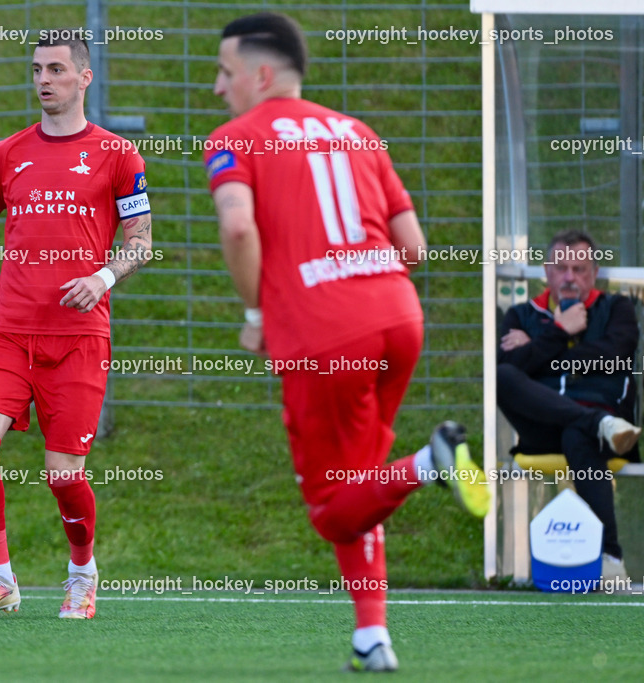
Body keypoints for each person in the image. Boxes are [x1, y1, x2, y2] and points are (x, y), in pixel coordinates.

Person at [204, 12, 489, 673]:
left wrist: (257, 313)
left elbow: (239, 229)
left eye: (224, 71)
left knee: (332, 512)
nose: (218, 88)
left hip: (325, 334)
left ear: (261, 74)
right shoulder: (358, 132)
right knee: (360, 485)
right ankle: (372, 636)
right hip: (397, 318)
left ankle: (431, 461)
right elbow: (414, 245)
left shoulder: (235, 137)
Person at [0, 33, 152, 620]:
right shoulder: (8, 153)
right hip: (8, 329)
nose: (44, 79)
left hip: (78, 337)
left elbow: (140, 243)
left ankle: (82, 573)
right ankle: (0, 579)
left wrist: (103, 278)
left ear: (84, 78)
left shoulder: (119, 155)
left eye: (57, 69)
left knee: (64, 476)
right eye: (37, 69)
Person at [498, 230, 640, 581]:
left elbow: (614, 356)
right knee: (502, 376)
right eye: (561, 268)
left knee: (578, 433)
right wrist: (560, 330)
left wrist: (540, 348)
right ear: (547, 271)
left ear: (593, 274)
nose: (569, 277)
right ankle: (594, 422)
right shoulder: (520, 314)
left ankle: (610, 559)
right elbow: (511, 368)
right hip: (545, 427)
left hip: (599, 428)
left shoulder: (617, 308)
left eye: (579, 269)